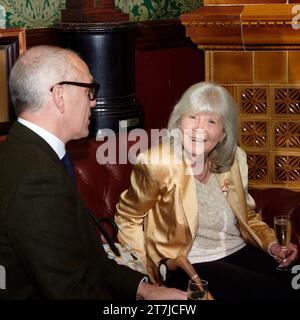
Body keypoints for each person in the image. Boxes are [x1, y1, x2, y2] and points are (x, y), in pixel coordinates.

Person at [0, 45, 186, 300]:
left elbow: (86, 256)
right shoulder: (36, 178)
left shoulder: (29, 152)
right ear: (60, 95)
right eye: (89, 90)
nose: (95, 101)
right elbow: (70, 291)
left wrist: (145, 289)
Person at [115, 81, 299, 300]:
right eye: (192, 117)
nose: (199, 128)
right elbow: (128, 218)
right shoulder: (156, 163)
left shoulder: (234, 159)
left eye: (211, 121)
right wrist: (146, 277)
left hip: (237, 250)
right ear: (179, 123)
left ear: (223, 134)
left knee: (295, 280)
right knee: (272, 292)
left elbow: (247, 216)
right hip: (188, 263)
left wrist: (272, 245)